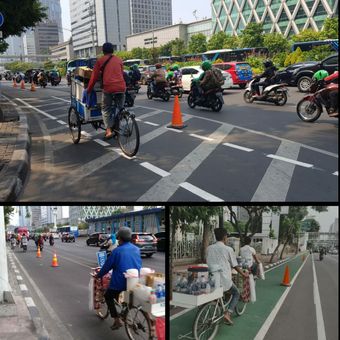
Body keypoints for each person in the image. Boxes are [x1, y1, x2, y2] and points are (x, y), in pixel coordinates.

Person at [94, 227, 142, 330]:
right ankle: (124, 310)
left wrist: (98, 275)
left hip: (120, 282)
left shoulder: (117, 251)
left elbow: (107, 267)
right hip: (135, 280)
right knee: (126, 297)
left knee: (108, 296)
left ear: (120, 238)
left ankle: (116, 320)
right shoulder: (137, 249)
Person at [206, 228, 248, 326]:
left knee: (219, 292)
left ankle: (219, 305)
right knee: (236, 293)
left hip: (211, 279)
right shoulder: (228, 249)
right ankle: (228, 313)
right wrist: (243, 274)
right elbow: (235, 265)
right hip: (223, 278)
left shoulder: (209, 248)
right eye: (227, 237)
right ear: (225, 237)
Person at [87, 42, 126, 140]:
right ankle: (118, 123)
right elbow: (121, 73)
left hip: (109, 88)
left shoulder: (100, 61)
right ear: (112, 50)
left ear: (103, 51)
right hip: (121, 87)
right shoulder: (119, 60)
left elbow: (94, 77)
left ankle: (108, 131)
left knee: (105, 109)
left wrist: (89, 89)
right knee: (120, 108)